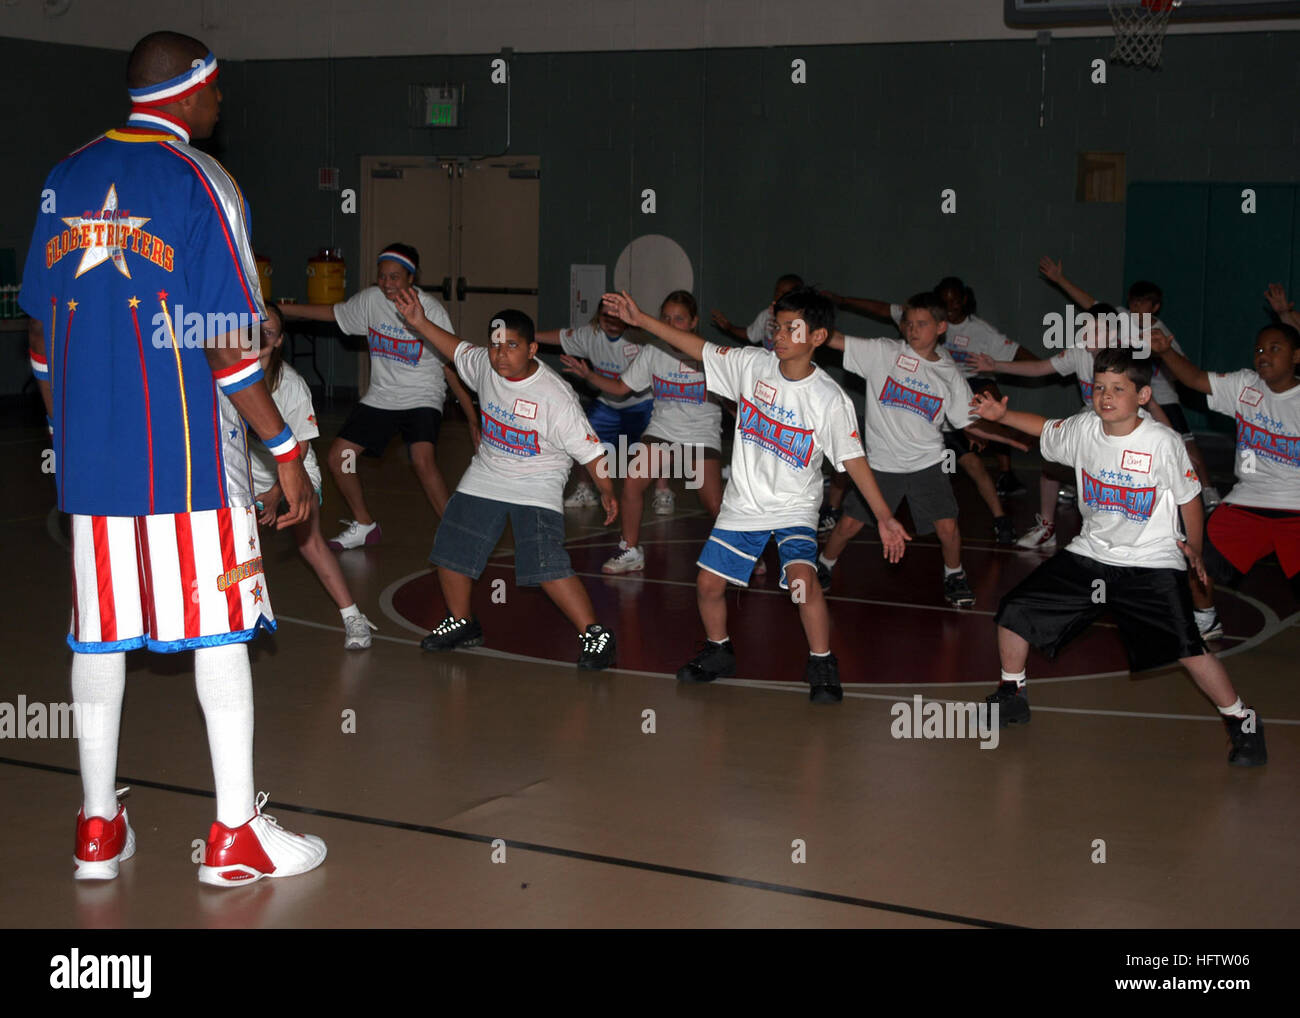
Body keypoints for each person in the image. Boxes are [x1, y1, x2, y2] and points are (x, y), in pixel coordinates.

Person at [21, 30, 326, 884]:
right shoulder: (206, 181)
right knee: (220, 633)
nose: (222, 105)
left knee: (100, 640)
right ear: (193, 90)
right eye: (217, 90)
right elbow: (230, 348)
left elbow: (42, 336)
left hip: (95, 468)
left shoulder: (64, 176)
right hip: (190, 464)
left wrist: (65, 430)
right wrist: (285, 449)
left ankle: (96, 832)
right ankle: (234, 836)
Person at [602, 287, 910, 704]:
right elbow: (698, 345)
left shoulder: (829, 399)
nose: (779, 335)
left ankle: (822, 662)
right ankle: (718, 650)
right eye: (777, 326)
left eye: (791, 328)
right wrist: (643, 321)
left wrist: (885, 516)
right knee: (708, 584)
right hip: (744, 504)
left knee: (802, 582)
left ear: (818, 337)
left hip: (793, 507)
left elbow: (854, 460)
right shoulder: (751, 365)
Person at [972, 349, 1266, 766]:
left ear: (1143, 395)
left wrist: (1194, 551)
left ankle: (1242, 723)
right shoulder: (1084, 428)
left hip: (1150, 562)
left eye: (1118, 389)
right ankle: (1012, 694)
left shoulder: (1160, 443)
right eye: (1099, 388)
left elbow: (1190, 500)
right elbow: (1044, 427)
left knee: (1188, 649)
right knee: (1014, 611)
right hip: (1091, 555)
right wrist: (1001, 416)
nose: (1105, 397)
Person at [392, 294, 619, 668]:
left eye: (511, 345)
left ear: (531, 349)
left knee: (545, 564)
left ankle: (595, 634)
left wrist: (607, 490)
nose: (500, 354)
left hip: (539, 479)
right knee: (451, 549)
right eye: (495, 345)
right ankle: (463, 622)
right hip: (488, 472)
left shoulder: (555, 396)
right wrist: (418, 322)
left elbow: (591, 451)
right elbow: (455, 347)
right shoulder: (483, 365)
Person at [818, 293, 1028, 606]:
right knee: (849, 524)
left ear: (941, 326)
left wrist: (1008, 436)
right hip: (881, 465)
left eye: (922, 323)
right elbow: (834, 340)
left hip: (928, 464)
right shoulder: (882, 352)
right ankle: (824, 566)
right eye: (908, 323)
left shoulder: (949, 373)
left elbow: (966, 421)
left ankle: (954, 575)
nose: (913, 329)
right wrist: (807, 322)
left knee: (948, 526)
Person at [280, 243, 479, 549]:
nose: (387, 283)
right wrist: (280, 310)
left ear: (411, 278)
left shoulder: (432, 312)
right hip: (381, 398)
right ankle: (364, 524)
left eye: (395, 277)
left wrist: (472, 420)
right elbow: (333, 313)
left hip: (422, 396)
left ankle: (456, 534)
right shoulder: (372, 300)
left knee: (422, 459)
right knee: (339, 458)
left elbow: (452, 368)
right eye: (382, 276)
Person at [1148, 322, 1300, 635]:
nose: (1264, 355)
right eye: (1259, 349)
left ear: (1296, 356)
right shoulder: (1244, 385)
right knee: (1198, 553)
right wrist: (1165, 352)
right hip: (1247, 501)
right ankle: (1206, 618)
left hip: (1296, 506)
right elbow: (1194, 378)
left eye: (1274, 348)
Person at [561, 291, 725, 574]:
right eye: (666, 318)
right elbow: (621, 389)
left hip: (700, 433)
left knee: (712, 502)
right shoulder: (653, 352)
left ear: (693, 322)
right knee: (633, 482)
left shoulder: (708, 354)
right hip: (663, 429)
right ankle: (630, 549)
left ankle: (742, 551)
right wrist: (588, 375)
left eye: (679, 318)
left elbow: (735, 396)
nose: (672, 323)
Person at [1038, 257, 1219, 504]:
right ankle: (1086, 480)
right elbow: (1091, 303)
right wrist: (1060, 280)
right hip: (1130, 393)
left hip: (1160, 393)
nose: (1136, 306)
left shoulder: (1161, 334)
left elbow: (1182, 370)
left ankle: (1204, 488)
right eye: (1133, 301)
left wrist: (1165, 355)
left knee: (1181, 442)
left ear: (1155, 307)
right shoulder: (1119, 318)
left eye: (1143, 302)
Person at [250, 304, 378, 649]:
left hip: (295, 469)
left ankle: (353, 616)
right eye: (255, 327)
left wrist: (279, 491)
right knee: (229, 541)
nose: (261, 336)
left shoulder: (291, 385)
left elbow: (300, 450)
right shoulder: (227, 379)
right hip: (246, 469)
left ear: (279, 341)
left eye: (270, 332)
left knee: (309, 543)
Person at [534, 308, 656, 510]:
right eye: (606, 316)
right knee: (587, 442)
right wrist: (529, 334)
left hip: (640, 404)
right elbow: (561, 336)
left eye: (617, 317)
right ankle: (585, 489)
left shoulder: (639, 342)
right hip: (608, 403)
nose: (611, 322)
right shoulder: (591, 335)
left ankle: (662, 491)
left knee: (654, 450)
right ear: (598, 317)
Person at [710, 273, 804, 351]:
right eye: (777, 292)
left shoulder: (803, 318)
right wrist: (729, 327)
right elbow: (751, 334)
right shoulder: (766, 315)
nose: (779, 296)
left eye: (784, 293)